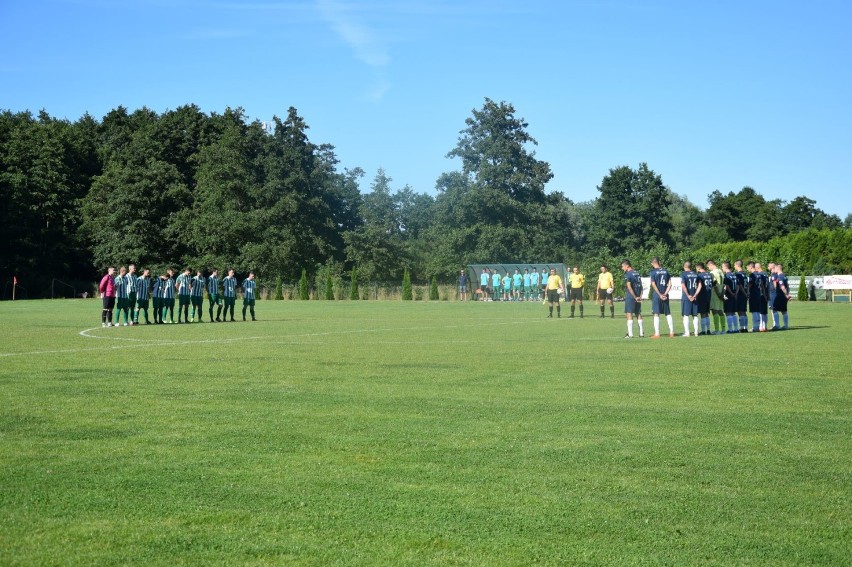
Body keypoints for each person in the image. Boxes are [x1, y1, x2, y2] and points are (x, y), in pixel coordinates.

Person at [649, 257, 674, 338]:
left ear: (652, 263)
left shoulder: (653, 272)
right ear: (659, 262)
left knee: (656, 314)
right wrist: (665, 294)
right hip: (665, 295)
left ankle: (657, 333)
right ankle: (672, 332)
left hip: (657, 295)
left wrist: (660, 294)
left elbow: (653, 284)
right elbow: (670, 284)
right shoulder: (666, 271)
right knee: (668, 313)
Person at [621, 259, 644, 338]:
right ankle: (641, 333)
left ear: (627, 266)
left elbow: (629, 286)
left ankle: (630, 334)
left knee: (629, 313)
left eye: (622, 266)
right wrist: (640, 296)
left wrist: (634, 297)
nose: (622, 268)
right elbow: (641, 286)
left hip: (631, 296)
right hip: (638, 295)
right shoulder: (637, 273)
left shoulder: (628, 274)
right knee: (638, 313)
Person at [680, 261, 702, 337]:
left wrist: (688, 295)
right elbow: (700, 285)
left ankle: (687, 333)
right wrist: (695, 295)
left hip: (687, 297)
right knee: (695, 315)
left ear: (684, 266)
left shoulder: (683, 274)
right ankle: (696, 332)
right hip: (695, 297)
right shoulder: (696, 274)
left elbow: (683, 285)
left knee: (686, 315)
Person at [747, 262, 769, 332]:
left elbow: (750, 285)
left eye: (747, 267)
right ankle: (760, 326)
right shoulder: (760, 275)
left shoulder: (752, 275)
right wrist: (764, 294)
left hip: (753, 295)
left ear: (750, 267)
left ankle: (755, 327)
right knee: (759, 311)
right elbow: (762, 285)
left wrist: (747, 292)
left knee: (754, 311)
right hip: (759, 294)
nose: (747, 269)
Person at [707, 260, 726, 334]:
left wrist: (718, 294)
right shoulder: (720, 271)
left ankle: (717, 330)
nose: (708, 268)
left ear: (711, 264)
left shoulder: (712, 273)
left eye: (708, 266)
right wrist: (722, 294)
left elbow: (714, 284)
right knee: (721, 311)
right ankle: (723, 329)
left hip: (715, 294)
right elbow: (724, 284)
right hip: (721, 293)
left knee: (715, 311)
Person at [695, 262, 714, 335]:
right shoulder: (709, 275)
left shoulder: (699, 276)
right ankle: (708, 330)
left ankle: (703, 331)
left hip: (702, 296)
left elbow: (698, 286)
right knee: (706, 314)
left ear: (699, 268)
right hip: (708, 296)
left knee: (702, 314)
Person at [722, 261, 740, 333]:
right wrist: (736, 293)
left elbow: (726, 286)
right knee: (733, 312)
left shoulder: (726, 276)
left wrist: (731, 293)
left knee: (728, 312)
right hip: (735, 295)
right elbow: (738, 286)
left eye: (722, 267)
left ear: (726, 267)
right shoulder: (734, 275)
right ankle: (736, 329)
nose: (722, 268)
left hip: (729, 296)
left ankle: (730, 329)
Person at [772, 263, 791, 330]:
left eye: (775, 268)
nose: (774, 269)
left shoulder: (780, 277)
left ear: (778, 268)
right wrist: (788, 294)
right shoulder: (784, 276)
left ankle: (777, 325)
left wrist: (786, 294)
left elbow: (782, 287)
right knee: (784, 311)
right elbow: (787, 286)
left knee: (774, 309)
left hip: (780, 295)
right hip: (784, 296)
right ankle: (786, 326)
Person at [734, 260, 749, 333]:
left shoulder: (738, 274)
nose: (734, 267)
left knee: (740, 311)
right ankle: (745, 327)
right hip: (745, 294)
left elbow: (739, 285)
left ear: (737, 265)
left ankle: (742, 328)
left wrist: (736, 294)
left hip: (741, 294)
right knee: (744, 311)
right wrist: (747, 292)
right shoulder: (745, 274)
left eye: (734, 265)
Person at [767, 261, 777, 330]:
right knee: (773, 310)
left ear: (772, 266)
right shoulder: (774, 274)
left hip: (773, 294)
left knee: (773, 310)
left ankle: (776, 324)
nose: (768, 267)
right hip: (772, 294)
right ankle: (776, 324)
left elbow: (775, 285)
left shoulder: (773, 274)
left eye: (769, 266)